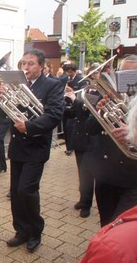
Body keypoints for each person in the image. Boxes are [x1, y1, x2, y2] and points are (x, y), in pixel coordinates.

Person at [5, 49, 64, 253]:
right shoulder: (18, 85)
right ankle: (21, 231)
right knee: (15, 191)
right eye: (23, 63)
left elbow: (55, 114)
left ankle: (35, 232)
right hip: (18, 146)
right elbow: (10, 110)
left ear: (41, 66)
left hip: (36, 147)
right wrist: (5, 97)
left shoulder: (53, 85)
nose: (25, 68)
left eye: (30, 64)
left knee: (27, 190)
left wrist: (29, 127)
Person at [85, 54, 137, 227]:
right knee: (106, 224)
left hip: (132, 178)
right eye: (122, 74)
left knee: (121, 226)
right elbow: (89, 129)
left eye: (133, 75)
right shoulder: (110, 95)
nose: (126, 80)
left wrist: (133, 132)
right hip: (106, 174)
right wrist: (99, 112)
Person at [64, 63, 100, 218]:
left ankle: (87, 204)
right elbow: (75, 113)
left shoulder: (101, 93)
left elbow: (91, 111)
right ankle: (83, 199)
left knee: (87, 173)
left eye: (97, 73)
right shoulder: (85, 90)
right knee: (81, 171)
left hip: (91, 138)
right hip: (79, 136)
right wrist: (64, 106)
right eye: (92, 73)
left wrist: (75, 100)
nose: (94, 76)